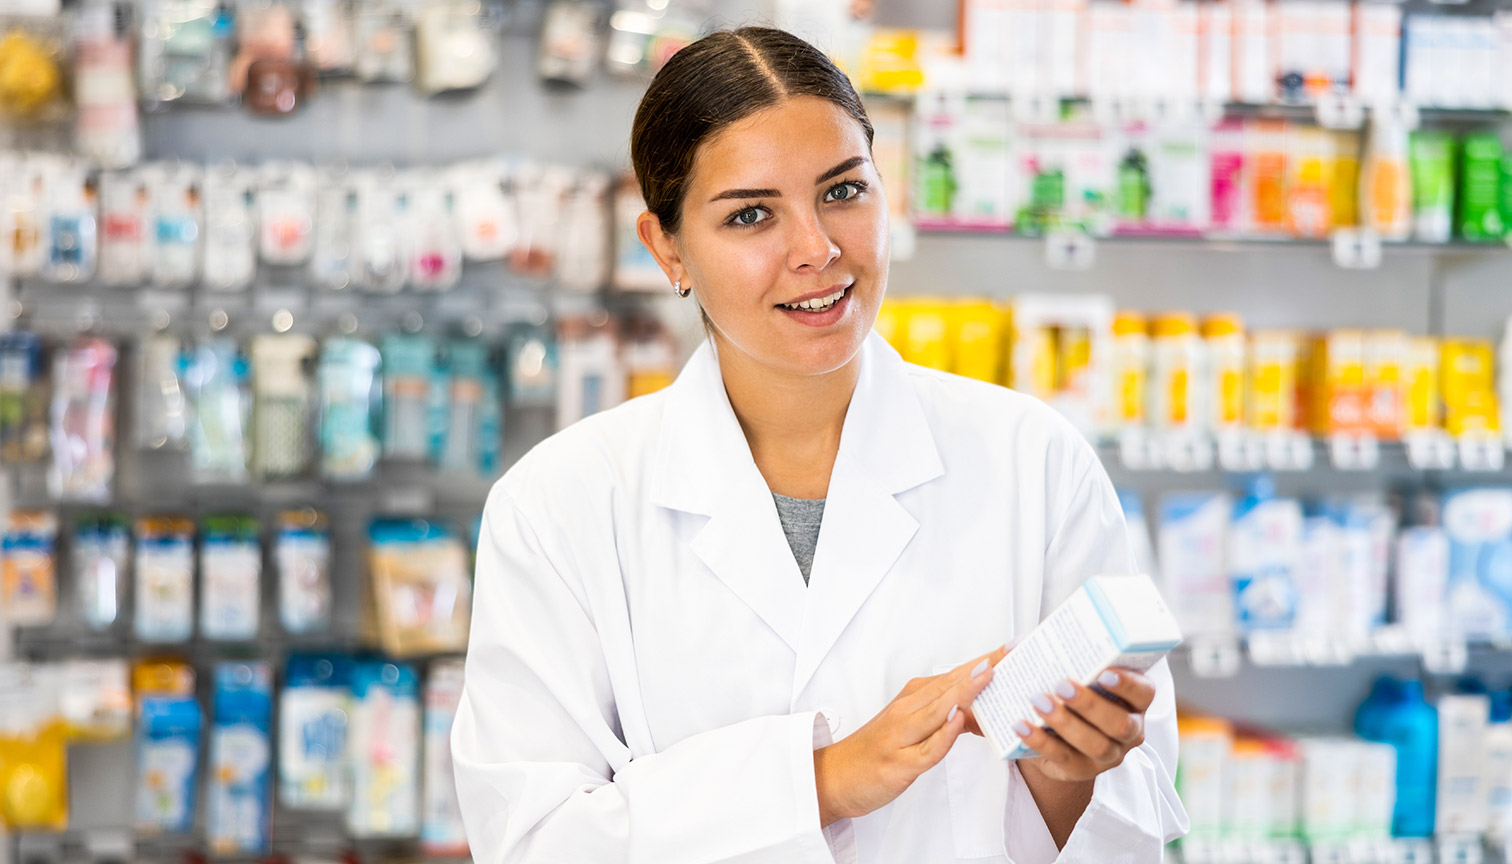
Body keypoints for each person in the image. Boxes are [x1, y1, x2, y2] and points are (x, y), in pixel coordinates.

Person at [451, 26, 1188, 864]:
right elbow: (534, 839)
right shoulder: (560, 504)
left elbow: (1129, 820)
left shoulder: (1033, 461)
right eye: (752, 214)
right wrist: (825, 780)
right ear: (667, 248)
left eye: (843, 191)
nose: (818, 250)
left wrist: (1073, 769)